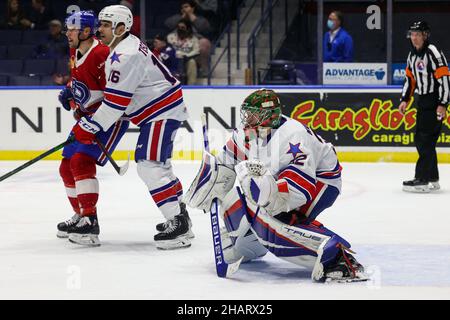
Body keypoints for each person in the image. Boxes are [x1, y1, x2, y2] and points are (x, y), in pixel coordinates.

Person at [185, 89, 367, 282]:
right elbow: (225, 163)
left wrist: (268, 194)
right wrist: (211, 181)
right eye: (247, 114)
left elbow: (300, 189)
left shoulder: (293, 136)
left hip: (321, 181)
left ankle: (337, 257)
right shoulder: (248, 132)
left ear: (268, 116)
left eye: (253, 115)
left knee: (277, 222)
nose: (247, 119)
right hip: (286, 178)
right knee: (250, 206)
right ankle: (250, 245)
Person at [71, 5, 194, 250]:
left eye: (107, 25)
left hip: (161, 112)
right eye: (101, 24)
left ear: (121, 28)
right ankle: (180, 218)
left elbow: (115, 105)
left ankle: (177, 223)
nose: (100, 29)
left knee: (149, 165)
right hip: (159, 111)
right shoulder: (123, 46)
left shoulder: (125, 56)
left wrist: (90, 125)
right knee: (159, 166)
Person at [56, 10, 129, 246]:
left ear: (86, 31)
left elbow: (116, 94)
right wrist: (71, 95)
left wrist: (95, 120)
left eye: (72, 29)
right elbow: (79, 78)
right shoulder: (75, 48)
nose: (67, 33)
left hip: (110, 119)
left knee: (80, 162)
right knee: (66, 167)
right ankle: (80, 215)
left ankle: (90, 220)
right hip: (87, 116)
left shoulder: (102, 54)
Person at [399, 21, 449, 193]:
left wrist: (442, 104)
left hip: (435, 101)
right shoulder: (412, 55)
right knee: (426, 140)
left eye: (418, 34)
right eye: (412, 34)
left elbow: (444, 79)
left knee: (424, 140)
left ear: (425, 36)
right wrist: (405, 99)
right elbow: (410, 80)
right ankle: (432, 178)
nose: (414, 38)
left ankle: (422, 179)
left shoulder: (433, 52)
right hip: (423, 101)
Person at [165, 0, 212, 76]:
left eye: (186, 7)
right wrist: (181, 19)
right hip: (178, 46)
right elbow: (168, 24)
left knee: (204, 42)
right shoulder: (177, 18)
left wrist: (191, 16)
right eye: (182, 7)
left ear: (193, 8)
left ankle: (204, 70)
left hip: (194, 48)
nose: (184, 9)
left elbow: (204, 28)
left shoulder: (200, 19)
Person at [167, 19, 200, 85]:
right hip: (173, 59)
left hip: (186, 59)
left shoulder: (194, 39)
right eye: (178, 27)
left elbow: (196, 51)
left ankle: (191, 86)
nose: (180, 29)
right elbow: (168, 48)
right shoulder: (170, 37)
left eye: (182, 28)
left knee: (192, 62)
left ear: (188, 29)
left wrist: (186, 56)